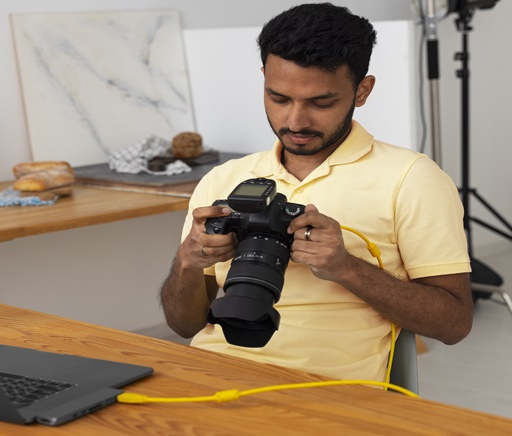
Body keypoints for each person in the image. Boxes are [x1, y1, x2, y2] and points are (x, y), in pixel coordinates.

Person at [159, 2, 473, 381]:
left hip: (326, 391)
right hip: (210, 375)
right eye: (278, 98)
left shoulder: (411, 178)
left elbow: (454, 324)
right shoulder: (224, 179)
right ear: (263, 79)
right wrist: (188, 261)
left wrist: (346, 267)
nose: (295, 121)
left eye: (321, 102)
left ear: (362, 90)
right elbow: (184, 326)